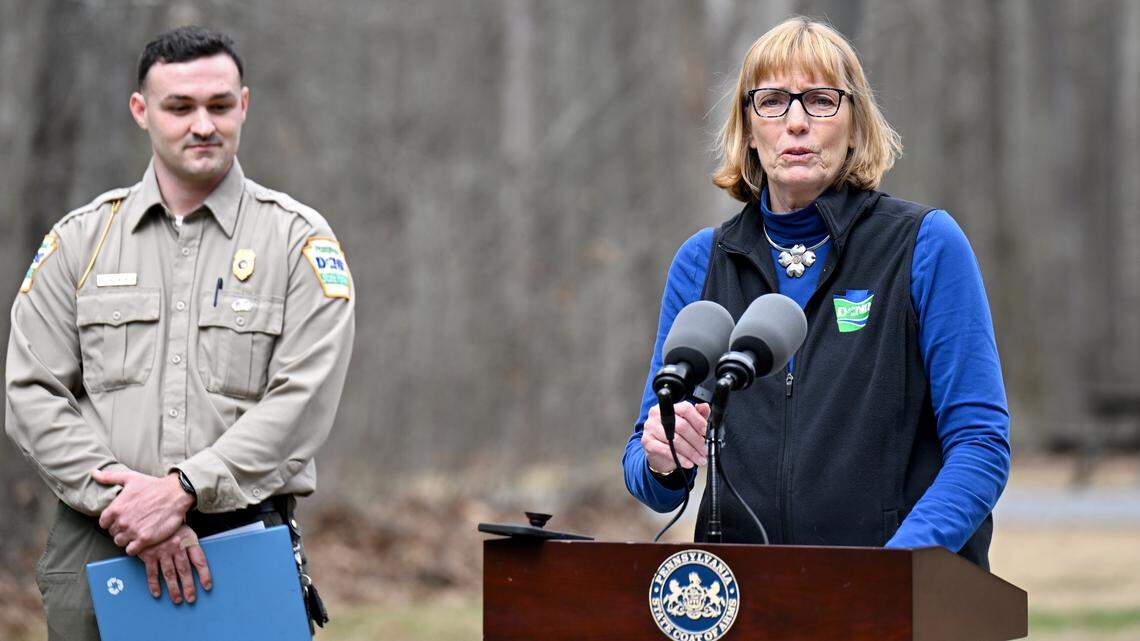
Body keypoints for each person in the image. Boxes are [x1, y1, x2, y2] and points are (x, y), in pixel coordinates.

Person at [622, 17, 1010, 568]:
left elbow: (980, 445)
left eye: (822, 100)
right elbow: (649, 473)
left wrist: (893, 570)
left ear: (854, 124)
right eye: (773, 101)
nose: (797, 123)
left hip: (896, 594)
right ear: (748, 127)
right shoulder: (702, 262)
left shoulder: (924, 244)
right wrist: (663, 458)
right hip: (739, 597)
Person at [6, 26, 353, 638]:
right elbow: (32, 391)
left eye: (220, 106)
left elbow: (303, 400)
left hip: (242, 545)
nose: (203, 125)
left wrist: (184, 491)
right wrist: (128, 506)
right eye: (180, 107)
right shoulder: (80, 242)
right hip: (100, 543)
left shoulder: (298, 242)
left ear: (244, 105)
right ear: (141, 111)